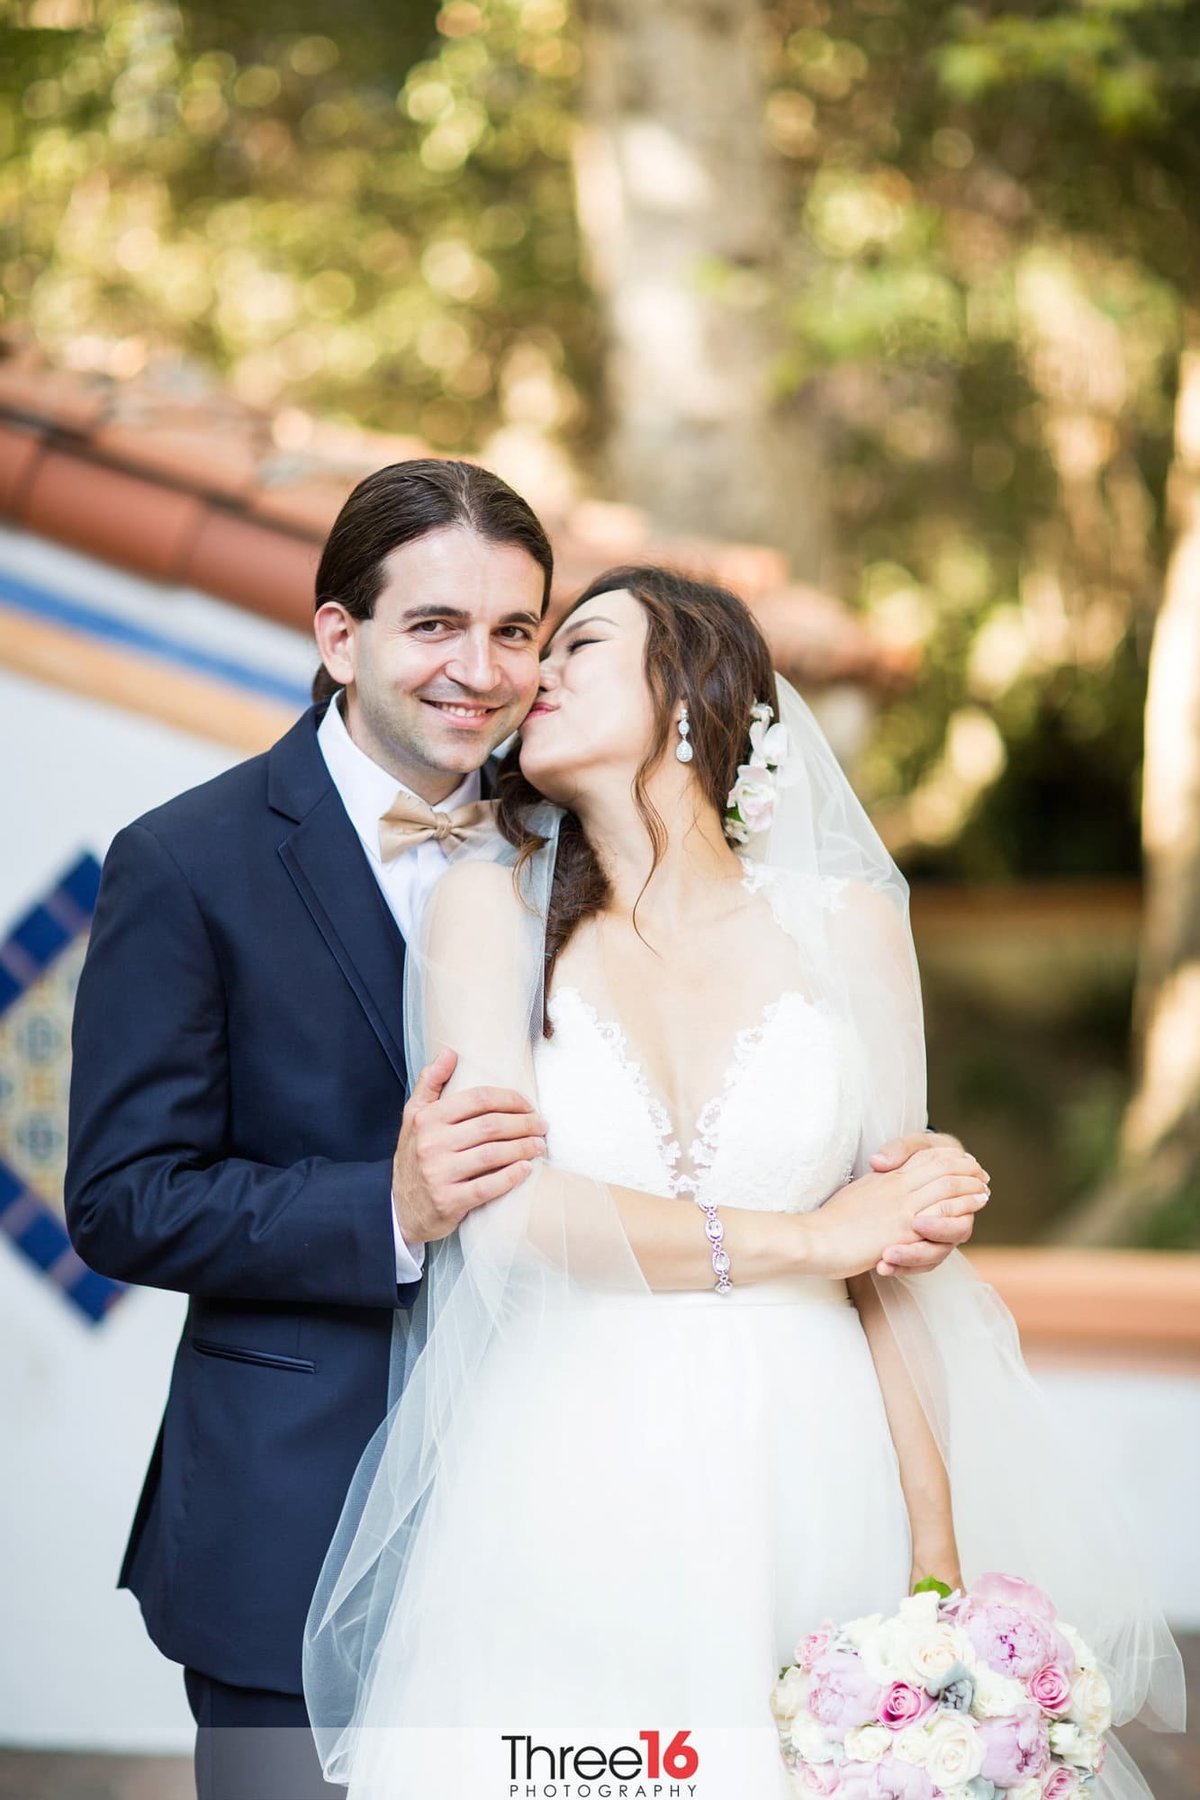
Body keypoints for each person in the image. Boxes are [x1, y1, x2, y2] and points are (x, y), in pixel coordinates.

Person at [65, 467, 977, 1800]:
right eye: (434, 626)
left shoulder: (586, 832)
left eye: (518, 633)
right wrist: (384, 1205)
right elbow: (124, 1198)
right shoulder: (185, 861)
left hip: (657, 1494)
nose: (483, 671)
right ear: (341, 639)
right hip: (305, 1503)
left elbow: (867, 1180)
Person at [304, 566, 1184, 1800]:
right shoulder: (483, 914)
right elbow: (510, 1223)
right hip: (565, 1478)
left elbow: (900, 1258)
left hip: (820, 1473)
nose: (532, 673)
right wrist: (813, 1241)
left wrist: (936, 1562)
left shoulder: (849, 926)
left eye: (578, 645)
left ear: (688, 699)